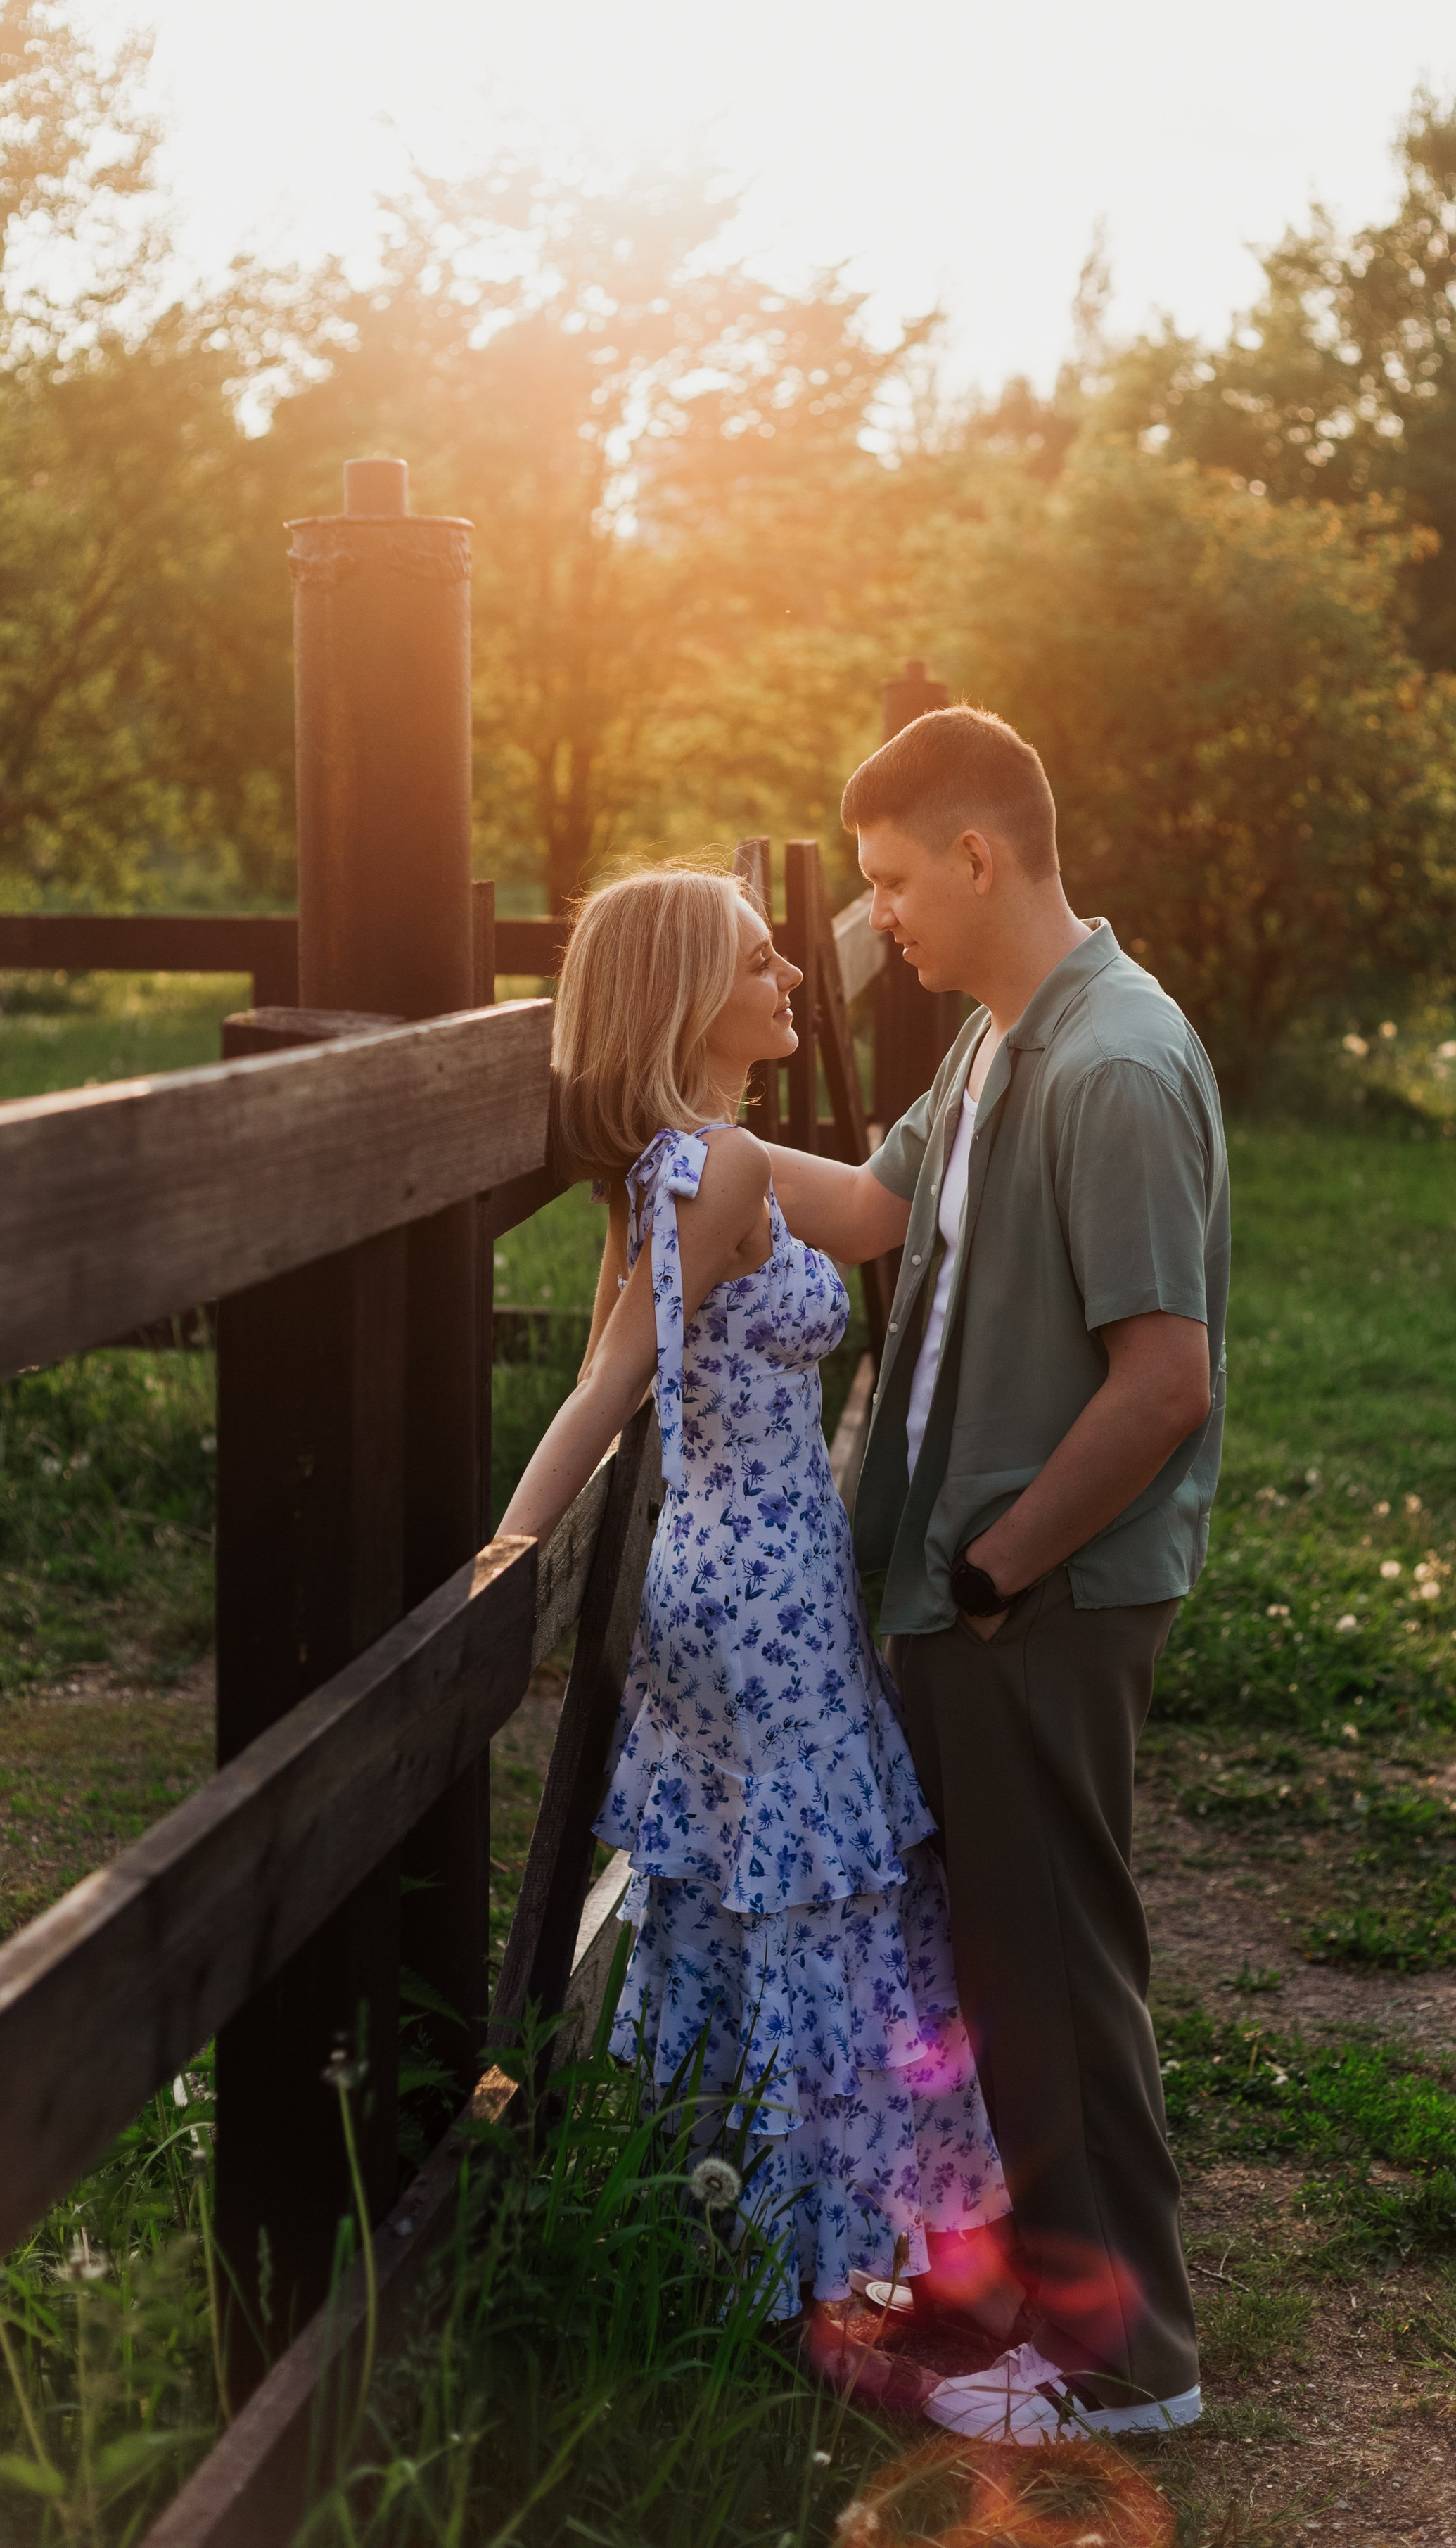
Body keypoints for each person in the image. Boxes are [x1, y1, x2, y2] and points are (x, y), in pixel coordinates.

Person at [765, 706, 1229, 2443]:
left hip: (1037, 1598)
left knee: (1049, 1967)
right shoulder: (993, 1041)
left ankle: (1127, 2366)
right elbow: (867, 1212)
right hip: (976, 1589)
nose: (878, 915)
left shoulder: (1111, 1066)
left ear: (975, 856)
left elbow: (1163, 1382)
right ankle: (1024, 2297)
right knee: (993, 1964)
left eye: (891, 880)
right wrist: (676, 1137)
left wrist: (992, 1569)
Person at [494, 863, 1009, 2336]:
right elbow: (608, 1383)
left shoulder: (691, 1161)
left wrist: (996, 1046)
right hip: (760, 1586)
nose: (791, 978)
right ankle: (804, 2264)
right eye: (758, 962)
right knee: (814, 1904)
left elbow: (865, 1218)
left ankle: (739, 2232)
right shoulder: (709, 1171)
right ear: (682, 998)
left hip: (744, 1578)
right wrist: (510, 1548)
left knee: (762, 1900)